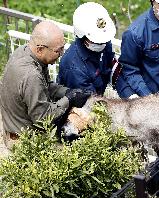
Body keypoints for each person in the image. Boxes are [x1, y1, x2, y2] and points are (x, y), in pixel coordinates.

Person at [0, 21, 91, 149]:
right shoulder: (31, 75)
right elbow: (43, 119)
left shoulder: (24, 53)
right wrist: (69, 100)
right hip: (23, 141)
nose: (61, 54)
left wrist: (67, 92)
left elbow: (45, 86)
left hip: (17, 126)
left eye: (62, 48)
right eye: (57, 51)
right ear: (40, 49)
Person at [58, 2, 134, 99]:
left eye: (104, 41)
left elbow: (113, 69)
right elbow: (93, 104)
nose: (102, 44)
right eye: (97, 41)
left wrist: (129, 95)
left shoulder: (103, 41)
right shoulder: (74, 68)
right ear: (82, 36)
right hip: (81, 108)